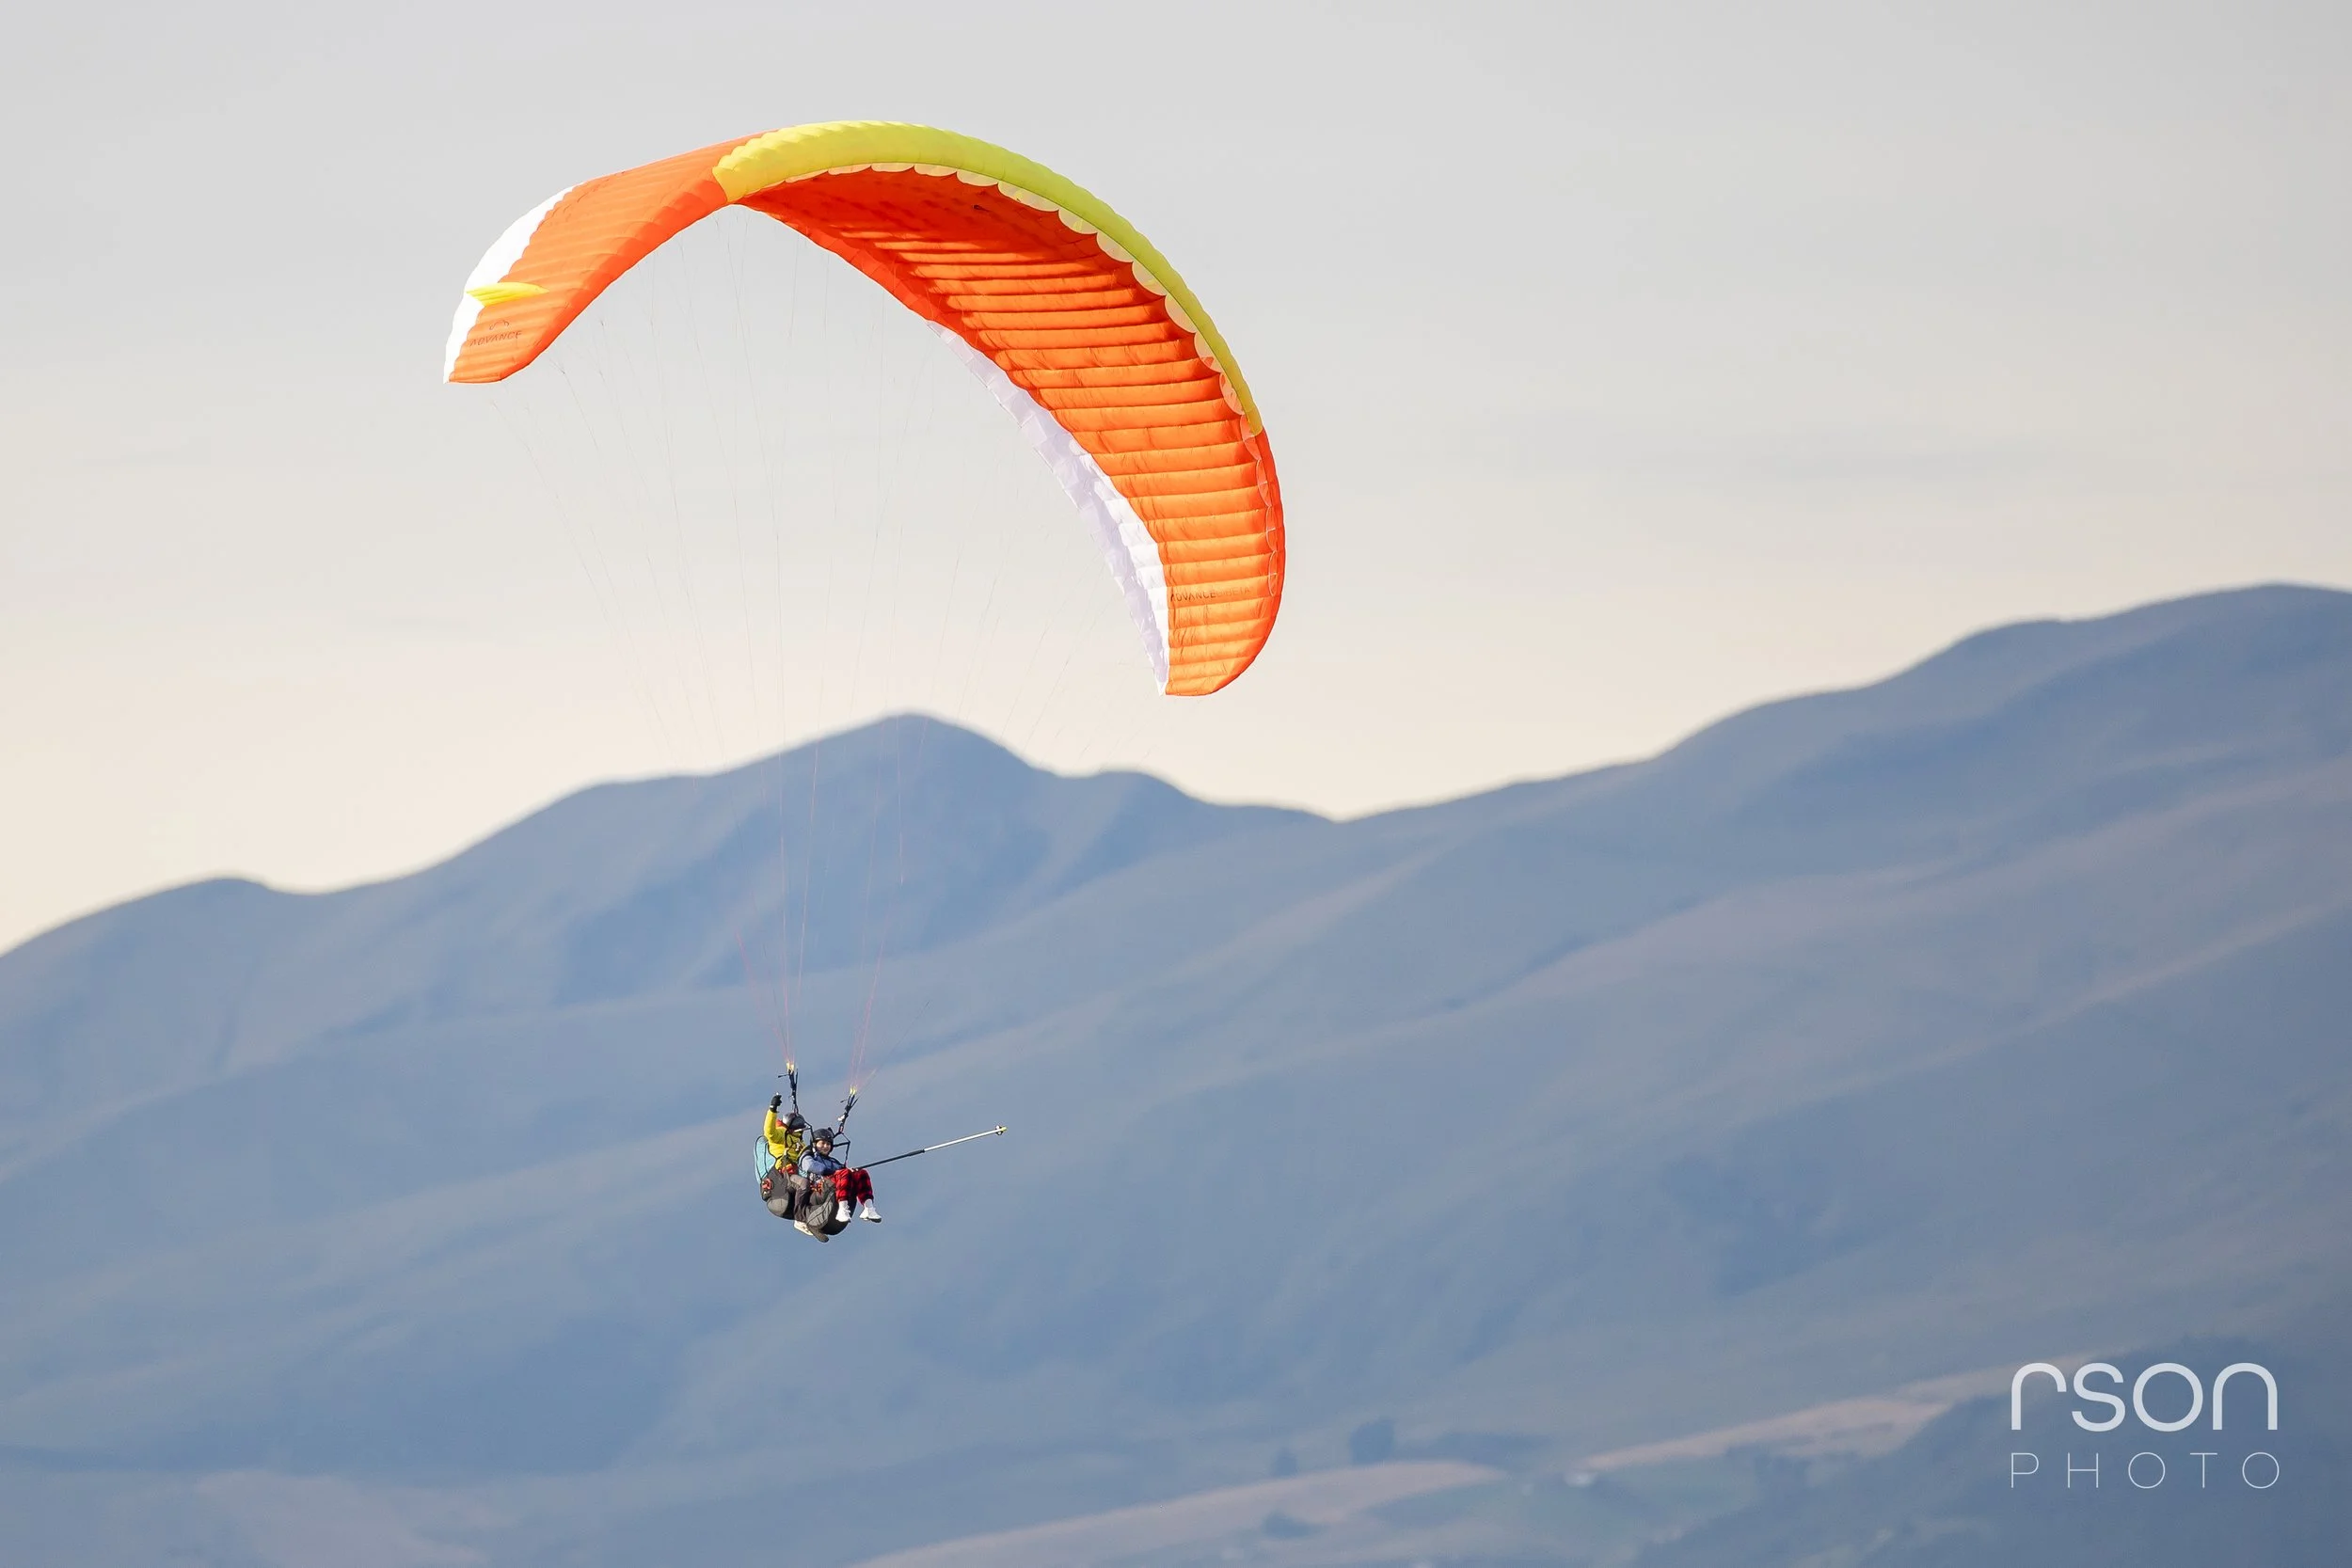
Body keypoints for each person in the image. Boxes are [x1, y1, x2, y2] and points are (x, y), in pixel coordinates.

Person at [800, 1126, 880, 1224]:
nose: (825, 1146)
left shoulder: (833, 1161)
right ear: (815, 1144)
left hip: (833, 1185)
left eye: (828, 1144)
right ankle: (842, 1209)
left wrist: (851, 1172)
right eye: (822, 1143)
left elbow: (843, 1171)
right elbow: (810, 1166)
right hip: (819, 1189)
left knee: (861, 1173)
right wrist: (835, 1172)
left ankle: (869, 1208)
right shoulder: (809, 1156)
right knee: (844, 1173)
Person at [760, 1096, 808, 1218]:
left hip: (798, 1172)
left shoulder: (800, 1143)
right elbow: (769, 1132)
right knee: (803, 1184)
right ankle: (800, 1218)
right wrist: (773, 1109)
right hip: (785, 1174)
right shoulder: (781, 1135)